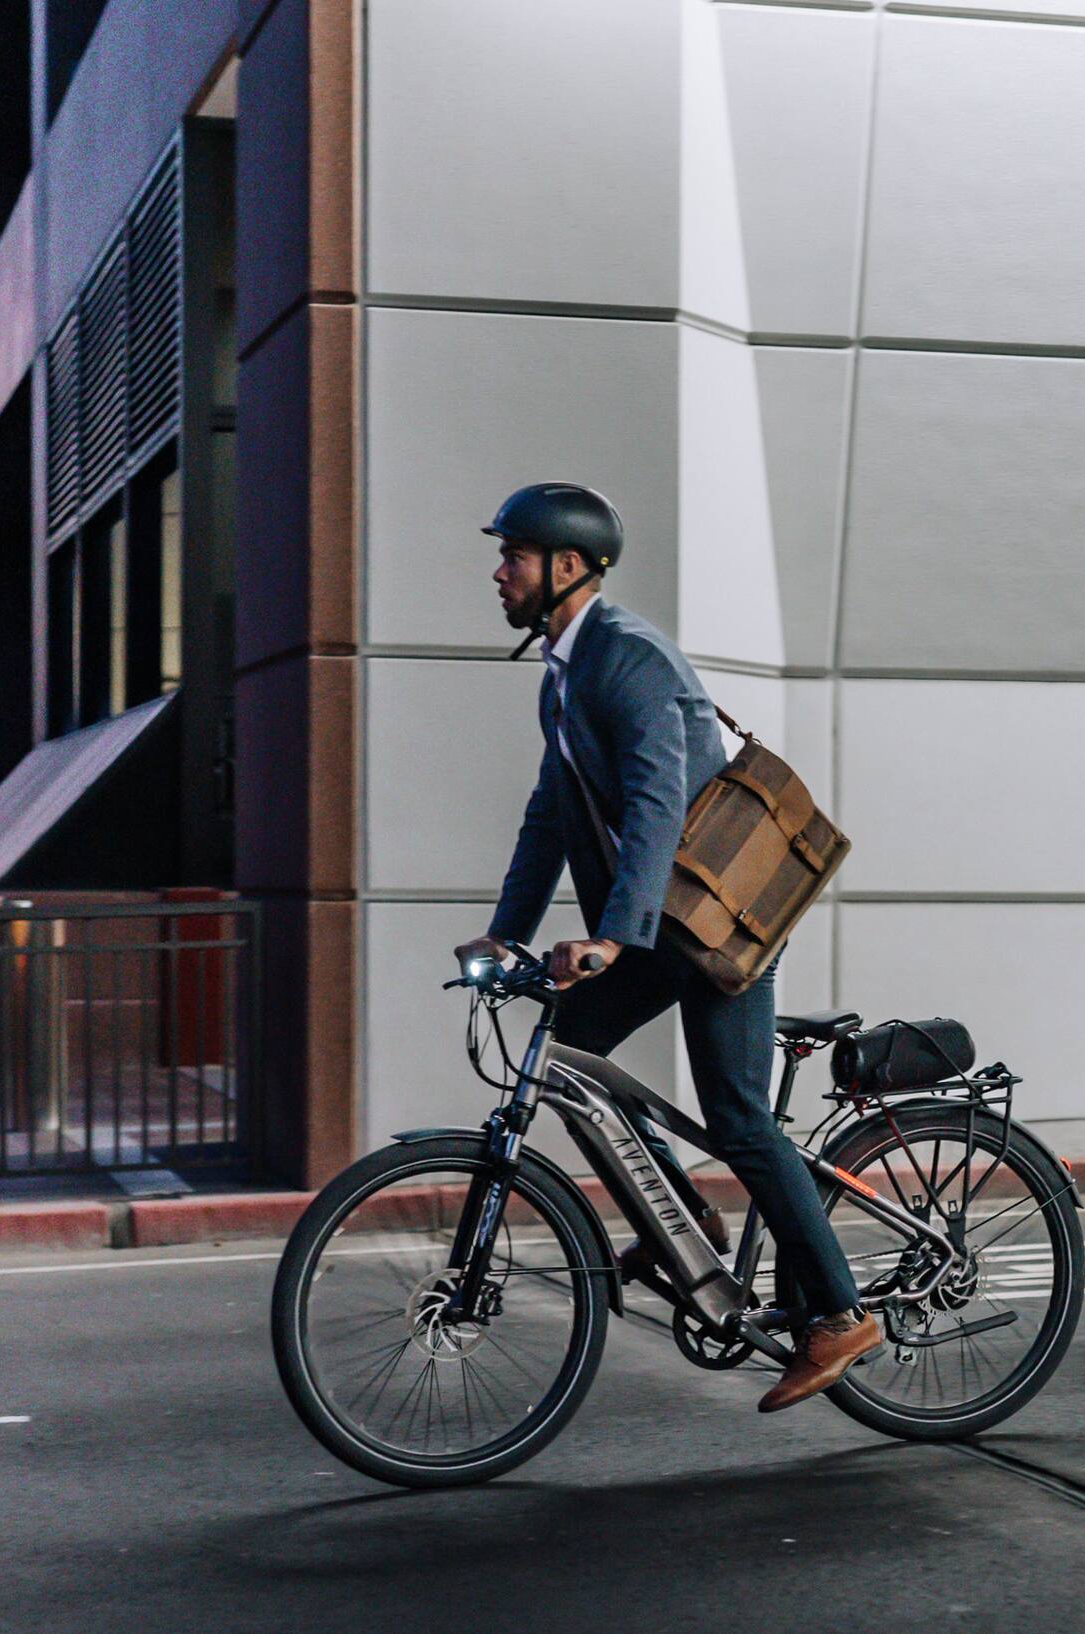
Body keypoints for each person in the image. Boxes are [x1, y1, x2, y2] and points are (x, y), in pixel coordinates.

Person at [451, 481, 880, 1414]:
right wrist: (506, 931)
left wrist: (610, 935)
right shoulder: (565, 673)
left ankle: (841, 1316)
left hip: (716, 927)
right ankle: (681, 1212)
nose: (498, 572)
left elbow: (656, 803)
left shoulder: (629, 659)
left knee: (737, 1119)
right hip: (663, 922)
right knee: (570, 1050)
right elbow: (549, 816)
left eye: (513, 556)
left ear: (568, 567)